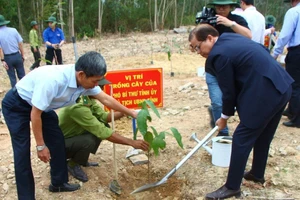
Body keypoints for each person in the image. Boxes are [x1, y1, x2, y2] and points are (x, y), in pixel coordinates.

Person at [1, 51, 139, 200]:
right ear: (81, 75)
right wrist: (40, 146)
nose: (97, 85)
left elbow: (106, 99)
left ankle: (58, 183)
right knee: (22, 151)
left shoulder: (86, 80)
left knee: (56, 140)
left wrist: (131, 112)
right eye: (95, 81)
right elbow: (35, 115)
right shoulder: (54, 81)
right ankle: (26, 197)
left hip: (44, 106)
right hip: (17, 104)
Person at [189, 24, 293, 199]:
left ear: (209, 38)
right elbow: (260, 50)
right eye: (194, 49)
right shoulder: (230, 38)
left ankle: (232, 187)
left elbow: (228, 92)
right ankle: (257, 174)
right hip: (281, 85)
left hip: (266, 94)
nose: (199, 52)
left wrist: (223, 117)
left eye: (198, 47)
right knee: (263, 135)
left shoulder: (218, 55)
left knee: (240, 139)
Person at [58, 77, 149, 182]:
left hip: (74, 136)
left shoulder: (88, 99)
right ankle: (73, 164)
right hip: (61, 144)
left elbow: (104, 117)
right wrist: (131, 142)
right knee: (88, 140)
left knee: (103, 126)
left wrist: (125, 112)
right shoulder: (77, 107)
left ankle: (81, 159)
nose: (101, 90)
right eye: (100, 87)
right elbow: (102, 132)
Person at [200, 0, 252, 136]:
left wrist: (231, 24)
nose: (221, 8)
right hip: (213, 70)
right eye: (218, 6)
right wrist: (205, 25)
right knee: (217, 102)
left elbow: (248, 36)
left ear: (231, 7)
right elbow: (197, 38)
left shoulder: (237, 20)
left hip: (234, 70)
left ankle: (245, 130)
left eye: (224, 6)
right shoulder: (209, 21)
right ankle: (223, 133)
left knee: (239, 101)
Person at [272, 0, 300, 128]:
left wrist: (275, 53)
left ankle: (296, 117)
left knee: (294, 84)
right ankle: (292, 109)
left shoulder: (294, 12)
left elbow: (285, 35)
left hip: (297, 51)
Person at [0, 14, 25, 88]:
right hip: (17, 55)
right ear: (5, 23)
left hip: (7, 58)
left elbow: (0, 49)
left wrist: (2, 60)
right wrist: (22, 55)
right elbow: (20, 43)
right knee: (22, 76)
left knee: (12, 78)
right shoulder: (14, 30)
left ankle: (15, 93)